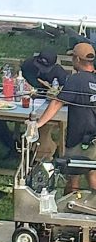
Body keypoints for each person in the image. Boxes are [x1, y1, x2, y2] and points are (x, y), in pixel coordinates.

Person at [37, 42, 96, 191]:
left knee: (72, 179)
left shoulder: (76, 79)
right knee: (93, 175)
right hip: (94, 137)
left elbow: (57, 103)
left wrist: (39, 123)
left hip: (80, 138)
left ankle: (70, 210)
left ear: (76, 59)